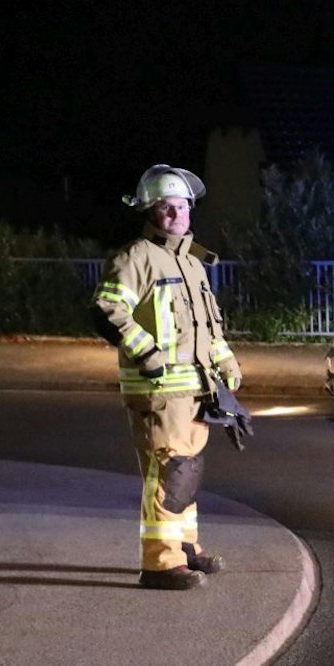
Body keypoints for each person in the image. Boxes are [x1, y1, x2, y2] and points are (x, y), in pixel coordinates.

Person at [91, 164, 241, 590]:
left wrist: (226, 364)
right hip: (158, 392)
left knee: (185, 471)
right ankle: (159, 563)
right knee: (168, 471)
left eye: (182, 207)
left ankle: (183, 548)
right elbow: (105, 310)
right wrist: (148, 354)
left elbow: (207, 328)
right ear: (150, 212)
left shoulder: (192, 262)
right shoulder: (136, 257)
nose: (176, 215)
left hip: (194, 390)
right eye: (165, 208)